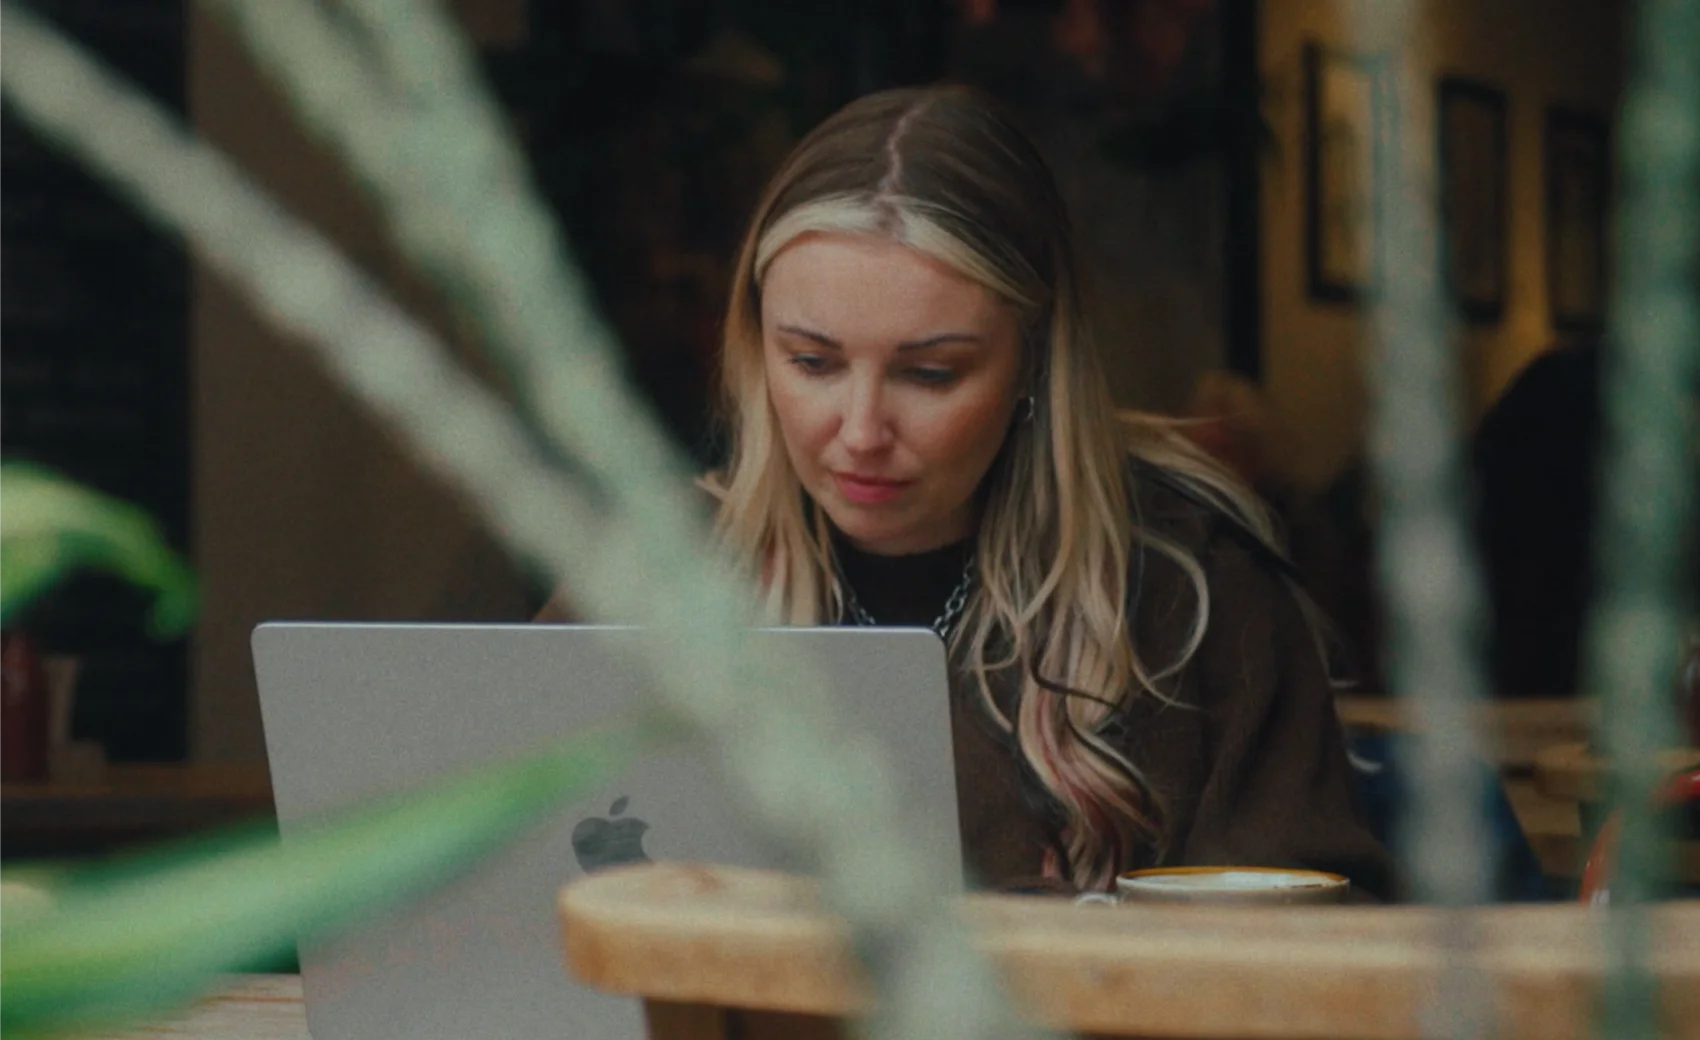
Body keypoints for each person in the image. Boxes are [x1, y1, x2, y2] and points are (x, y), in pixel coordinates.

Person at [540, 85, 1395, 899]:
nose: (862, 429)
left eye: (930, 372)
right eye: (812, 362)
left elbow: (1319, 951)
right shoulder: (652, 571)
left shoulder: (1190, 593)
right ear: (754, 347)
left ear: (1032, 360)